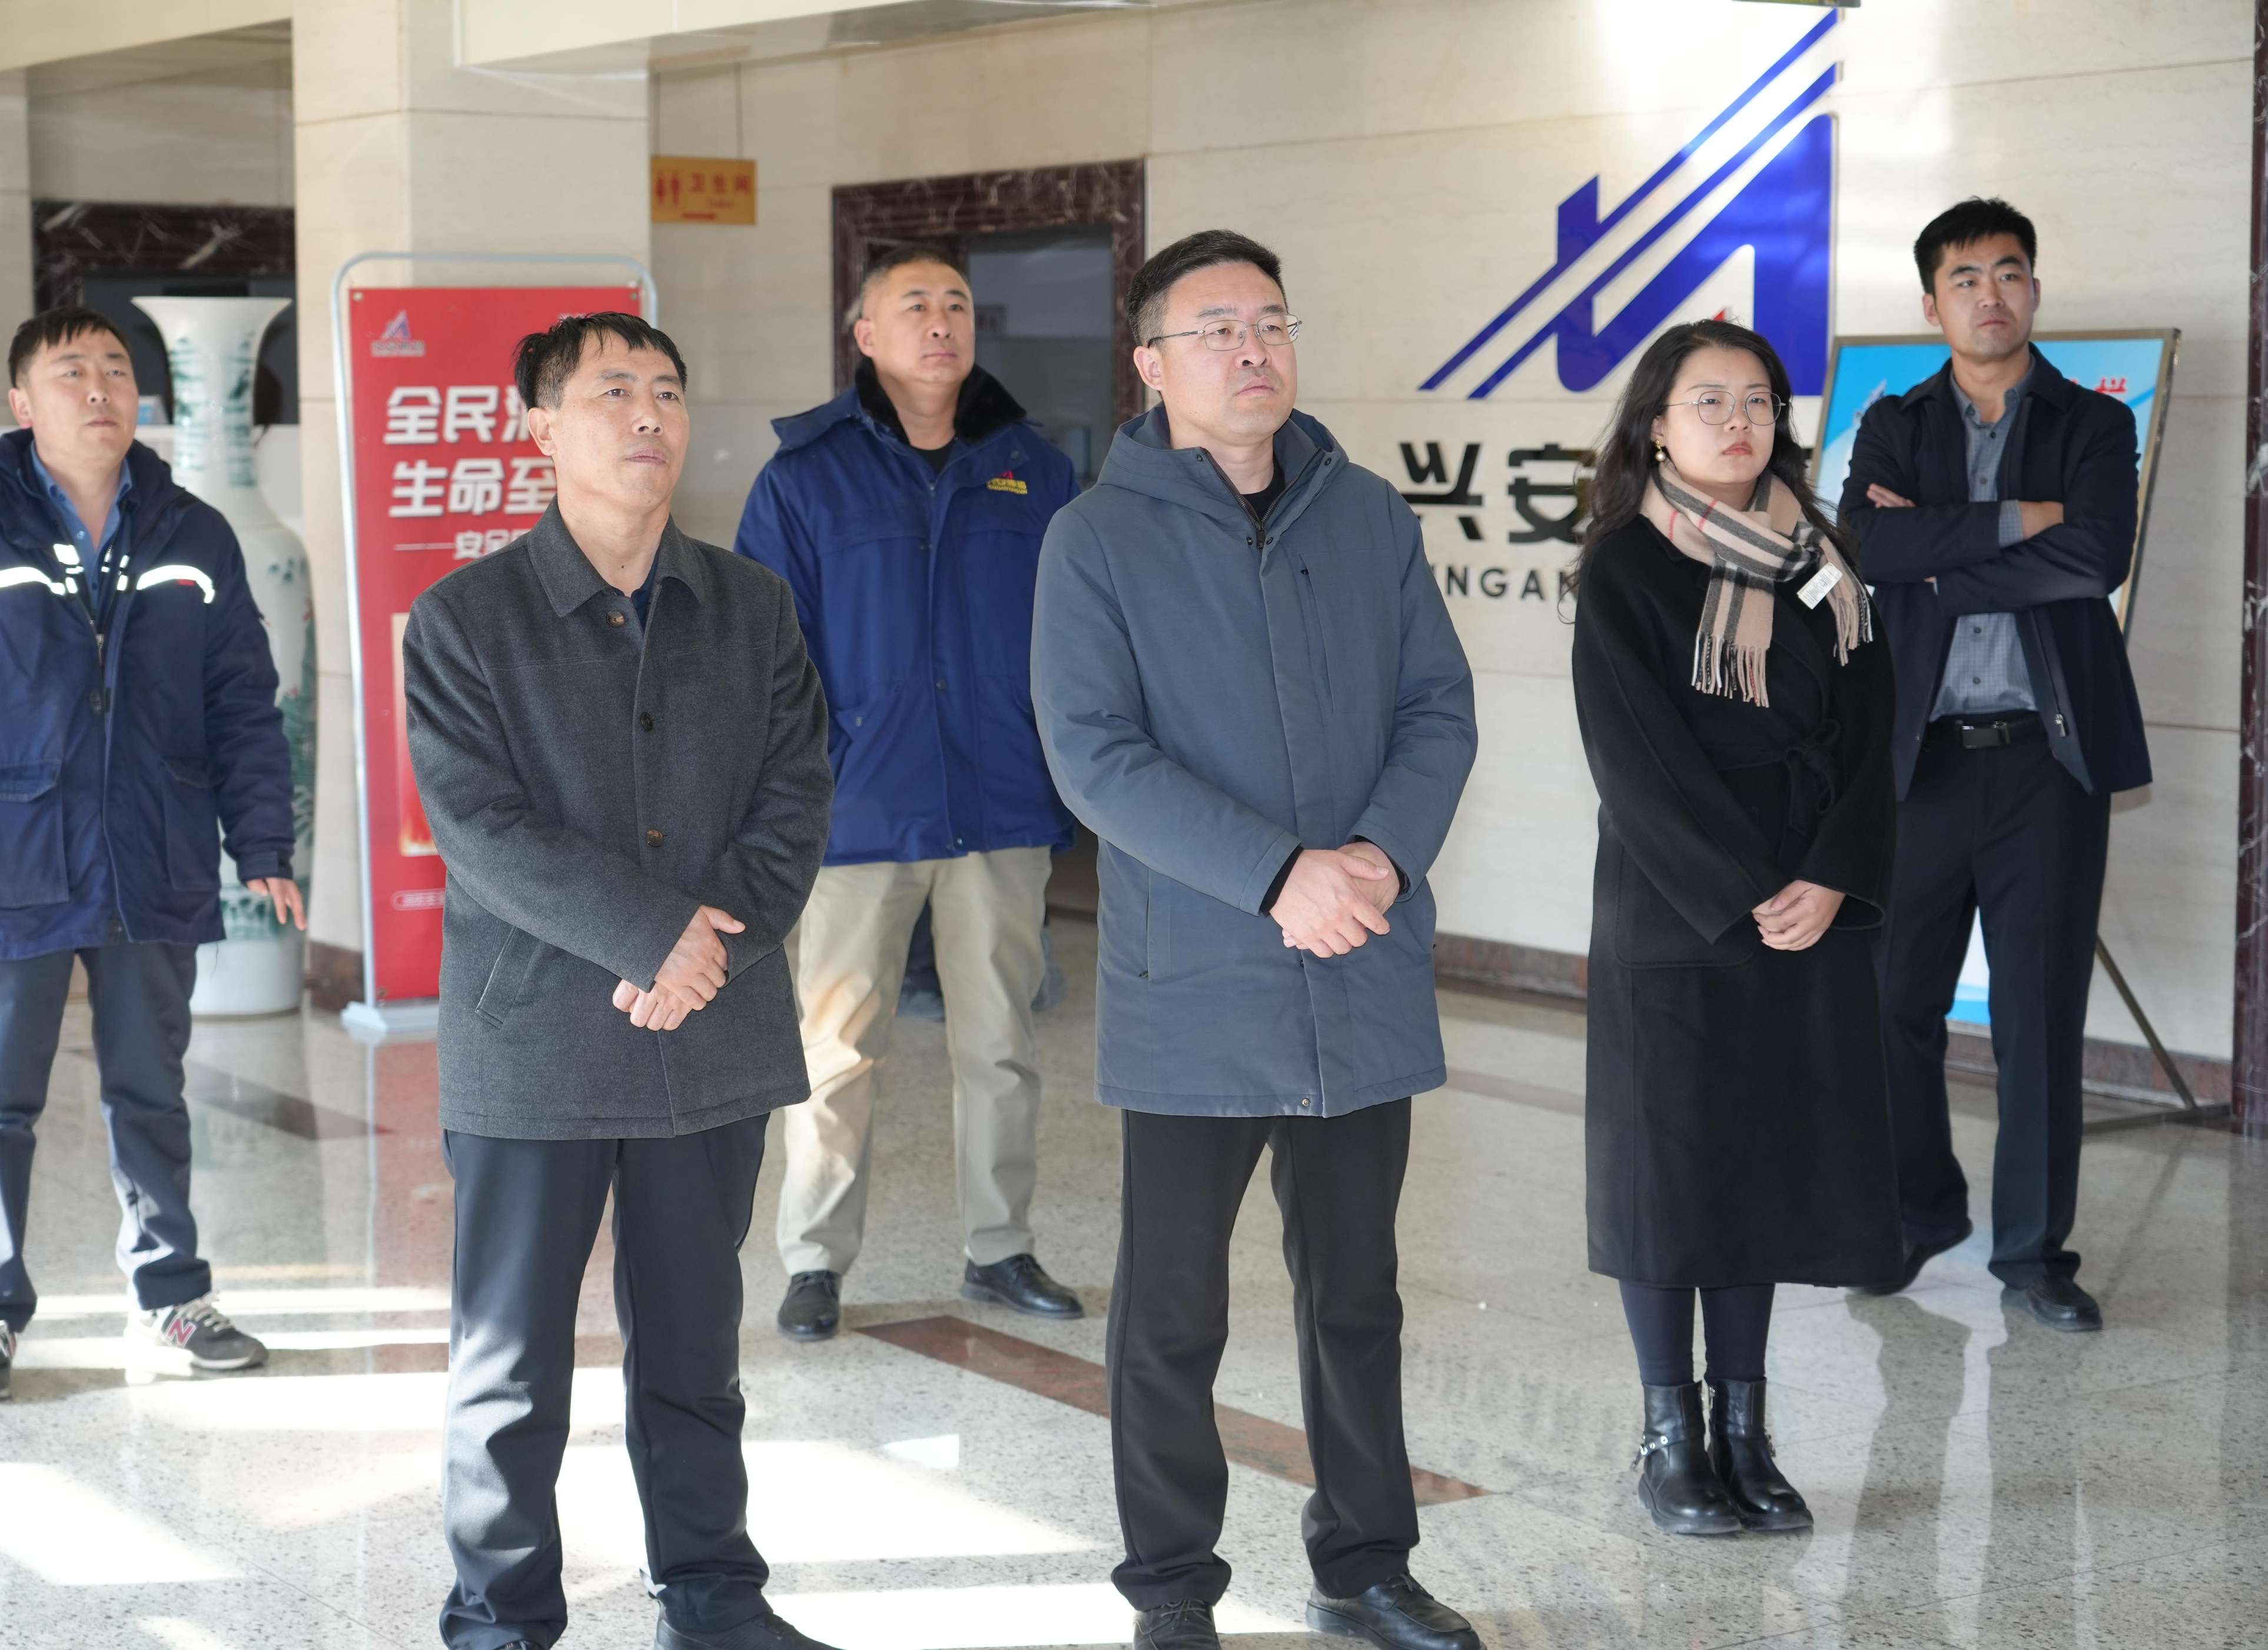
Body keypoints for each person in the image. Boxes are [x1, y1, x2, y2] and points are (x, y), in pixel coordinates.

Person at [1032, 231, 1483, 1650]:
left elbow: (1438, 708)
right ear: (1152, 365)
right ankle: (1171, 1586)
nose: (1253, 349)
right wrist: (1278, 873)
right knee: (1173, 1308)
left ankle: (1367, 1562)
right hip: (1198, 977)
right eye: (1217, 327)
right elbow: (1093, 754)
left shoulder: (1367, 516)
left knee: (1358, 1294)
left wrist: (1379, 857)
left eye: (1272, 322)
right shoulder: (1096, 538)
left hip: (1360, 956)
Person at [401, 311, 836, 1650]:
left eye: (667, 391)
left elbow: (796, 796)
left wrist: (711, 949)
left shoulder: (752, 606)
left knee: (698, 1353)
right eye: (611, 392)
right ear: (540, 428)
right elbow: (480, 826)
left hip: (711, 1039)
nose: (648, 414)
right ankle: (499, 1619)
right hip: (534, 1042)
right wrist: (656, 938)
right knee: (510, 1369)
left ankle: (712, 1598)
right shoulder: (465, 617)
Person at [0, 304, 298, 1403]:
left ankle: (171, 1297)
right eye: (71, 371)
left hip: (153, 852)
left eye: (116, 369)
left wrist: (262, 841)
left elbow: (243, 700)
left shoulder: (194, 533)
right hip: (10, 853)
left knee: (151, 1090)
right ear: (22, 402)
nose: (100, 387)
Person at [1569, 319, 1904, 1538]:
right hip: (1683, 907)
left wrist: (1831, 874)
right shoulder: (1625, 565)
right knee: (1671, 1176)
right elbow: (1634, 757)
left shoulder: (1824, 557)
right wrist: (1747, 886)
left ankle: (1746, 1433)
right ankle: (1671, 1439)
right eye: (1706, 400)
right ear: (1656, 426)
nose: (1735, 421)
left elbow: (1873, 727)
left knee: (1758, 1165)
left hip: (1810, 903)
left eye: (1755, 399)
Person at [737, 241, 1082, 1341]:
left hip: (1000, 802)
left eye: (958, 304)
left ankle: (1000, 1248)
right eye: (915, 305)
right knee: (836, 1052)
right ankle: (813, 1261)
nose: (941, 322)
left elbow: (1077, 638)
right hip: (858, 813)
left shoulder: (1036, 469)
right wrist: (807, 781)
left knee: (1001, 1044)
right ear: (865, 335)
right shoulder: (806, 477)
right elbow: (764, 654)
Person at [1841, 198, 2148, 1333]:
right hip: (1915, 762)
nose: (1989, 294)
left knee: (2036, 1021)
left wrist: (1935, 554)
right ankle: (1919, 1212)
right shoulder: (1893, 423)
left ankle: (2032, 1255)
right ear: (1931, 304)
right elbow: (1865, 547)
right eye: (1964, 278)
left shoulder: (2092, 423)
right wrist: (2022, 519)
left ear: (2034, 290)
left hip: (2044, 764)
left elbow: (2095, 556)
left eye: (2008, 273)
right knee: (1892, 1005)